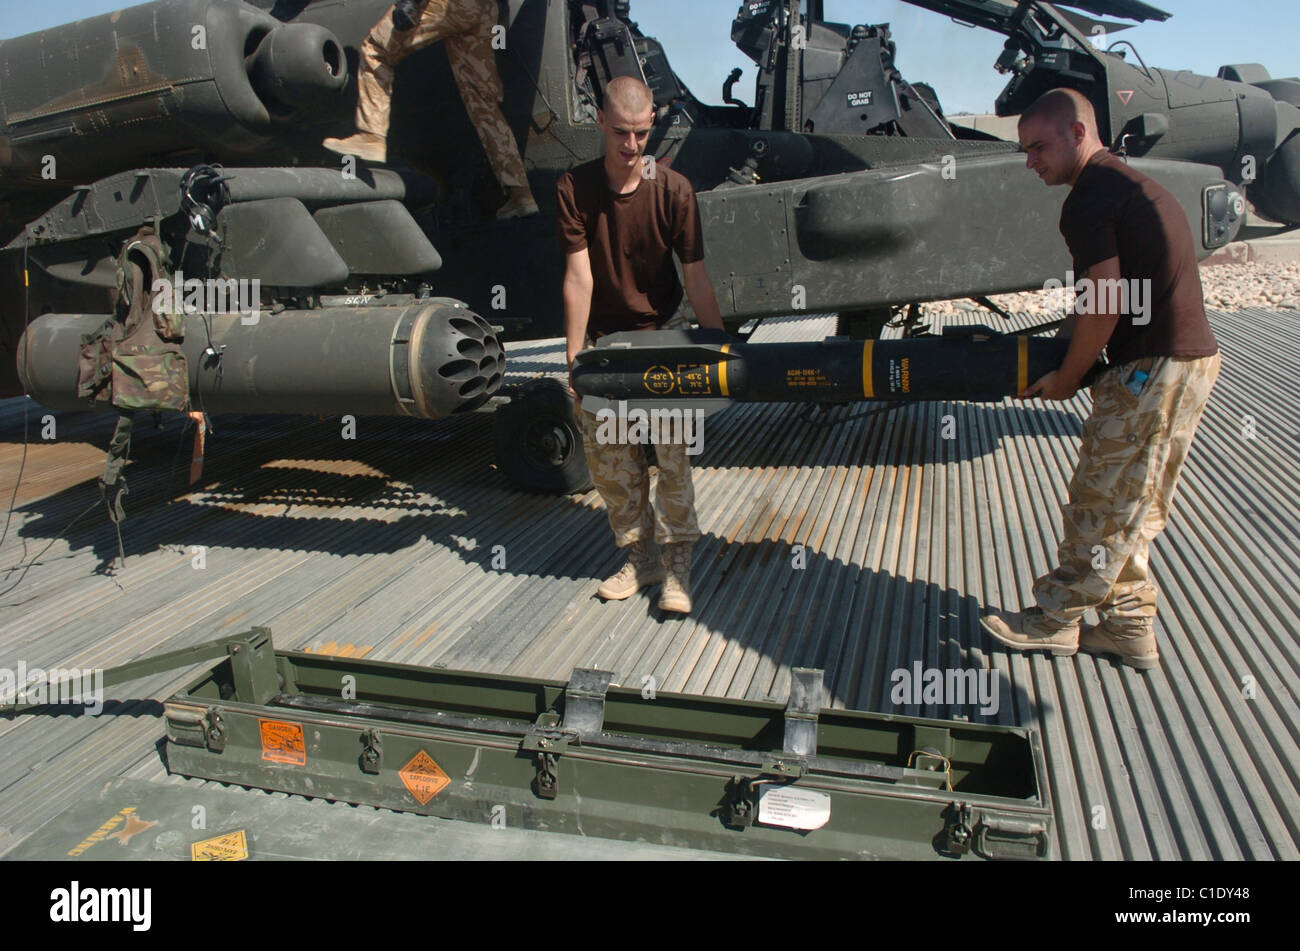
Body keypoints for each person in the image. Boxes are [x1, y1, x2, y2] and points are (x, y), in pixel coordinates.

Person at [980, 87, 1221, 670]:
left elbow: (1105, 302)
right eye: (1024, 149)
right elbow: (1110, 298)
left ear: (1079, 133)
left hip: (1153, 370)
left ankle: (1056, 619)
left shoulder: (1089, 197)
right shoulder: (1121, 184)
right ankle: (1127, 627)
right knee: (1130, 505)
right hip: (1179, 363)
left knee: (1102, 502)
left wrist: (1067, 375)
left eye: (1038, 145)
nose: (1030, 159)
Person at [556, 76, 726, 615]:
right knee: (611, 458)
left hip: (664, 330)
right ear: (602, 124)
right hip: (608, 339)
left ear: (652, 123)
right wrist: (575, 360)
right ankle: (640, 556)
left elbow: (696, 278)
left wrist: (720, 347)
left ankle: (677, 564)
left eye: (639, 134)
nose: (631, 147)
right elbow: (578, 278)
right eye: (620, 134)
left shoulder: (673, 191)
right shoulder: (575, 189)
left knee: (672, 455)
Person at [323, 0, 538, 219]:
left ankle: (372, 136)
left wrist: (410, 4)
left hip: (445, 5)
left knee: (375, 48)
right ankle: (520, 193)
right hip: (484, 9)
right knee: (483, 105)